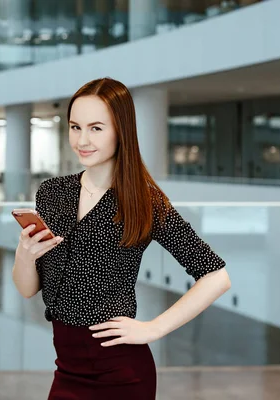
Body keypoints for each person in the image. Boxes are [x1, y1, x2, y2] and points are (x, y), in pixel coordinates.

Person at [12, 77, 231, 399]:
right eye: (75, 127)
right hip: (66, 368)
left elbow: (216, 276)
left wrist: (153, 328)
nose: (82, 140)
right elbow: (27, 289)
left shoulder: (144, 202)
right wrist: (25, 254)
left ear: (121, 130)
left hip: (120, 372)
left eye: (96, 128)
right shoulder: (52, 193)